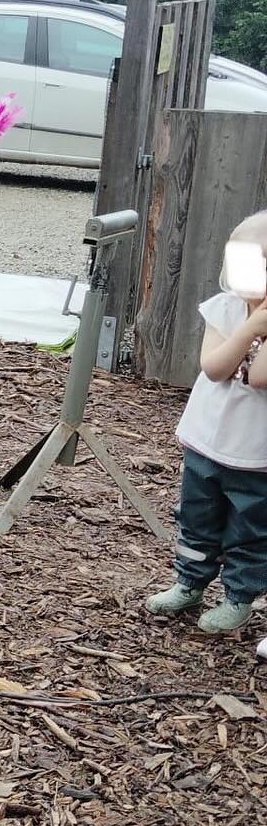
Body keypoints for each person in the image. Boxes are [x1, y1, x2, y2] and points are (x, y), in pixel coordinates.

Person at [146, 212, 267, 636]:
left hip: (255, 456)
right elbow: (214, 367)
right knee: (196, 517)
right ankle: (189, 582)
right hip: (206, 441)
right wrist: (252, 326)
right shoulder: (225, 308)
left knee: (250, 529)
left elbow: (259, 377)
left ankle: (238, 597)